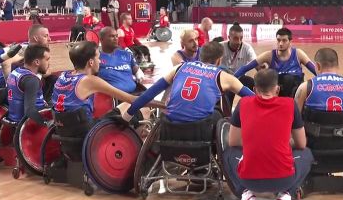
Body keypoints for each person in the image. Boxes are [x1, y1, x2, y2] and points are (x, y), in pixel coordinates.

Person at [223, 69, 311, 200]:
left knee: (229, 153)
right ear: (277, 89)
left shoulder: (243, 103)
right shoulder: (290, 104)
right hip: (284, 179)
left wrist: (254, 141)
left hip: (249, 180)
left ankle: (246, 195)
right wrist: (283, 142)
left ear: (254, 89)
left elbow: (233, 141)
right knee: (306, 153)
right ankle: (285, 196)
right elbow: (301, 143)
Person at [123, 41, 254, 124]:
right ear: (219, 60)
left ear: (200, 56)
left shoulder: (180, 67)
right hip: (200, 128)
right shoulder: (224, 76)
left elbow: (148, 94)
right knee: (223, 114)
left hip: (170, 124)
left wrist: (127, 116)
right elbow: (254, 98)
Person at [51, 41, 142, 121]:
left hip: (62, 128)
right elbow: (131, 99)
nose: (99, 61)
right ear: (91, 62)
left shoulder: (63, 75)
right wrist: (155, 103)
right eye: (98, 58)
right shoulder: (89, 80)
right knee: (140, 109)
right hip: (88, 131)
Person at [295, 48, 343, 129]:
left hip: (315, 139)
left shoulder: (305, 87)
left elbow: (294, 121)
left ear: (317, 66)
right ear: (338, 66)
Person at [234, 28, 317, 97]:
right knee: (244, 80)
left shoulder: (298, 54)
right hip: (276, 93)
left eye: (284, 40)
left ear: (290, 42)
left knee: (289, 79)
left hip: (295, 95)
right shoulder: (269, 55)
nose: (280, 43)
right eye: (278, 40)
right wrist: (232, 78)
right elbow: (246, 68)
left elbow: (315, 70)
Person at [6, 45, 50, 124]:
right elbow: (29, 111)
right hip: (28, 126)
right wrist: (46, 123)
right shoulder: (32, 80)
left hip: (13, 119)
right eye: (47, 60)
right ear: (37, 62)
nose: (48, 63)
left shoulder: (15, 72)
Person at [97, 27, 143, 94]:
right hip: (113, 98)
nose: (116, 38)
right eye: (112, 36)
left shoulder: (126, 54)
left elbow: (136, 70)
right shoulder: (96, 57)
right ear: (101, 39)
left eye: (116, 36)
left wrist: (139, 73)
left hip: (135, 94)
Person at [220, 23, 257, 104]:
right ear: (229, 37)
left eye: (241, 38)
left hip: (240, 78)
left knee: (252, 83)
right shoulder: (220, 47)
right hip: (224, 78)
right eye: (236, 38)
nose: (239, 41)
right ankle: (226, 113)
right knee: (227, 93)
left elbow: (257, 64)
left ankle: (252, 108)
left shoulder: (247, 48)